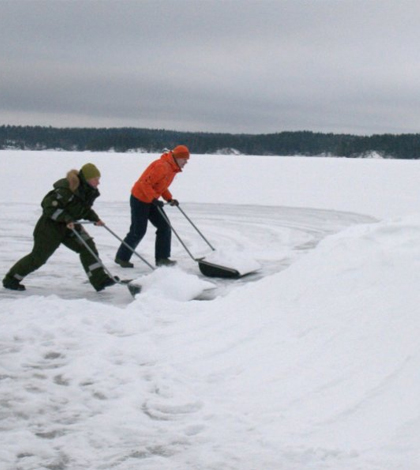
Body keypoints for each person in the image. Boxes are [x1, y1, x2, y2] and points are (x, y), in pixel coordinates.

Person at [2, 163, 116, 292]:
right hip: (50, 228)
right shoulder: (65, 189)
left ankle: (100, 280)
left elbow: (83, 209)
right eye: (96, 179)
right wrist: (66, 218)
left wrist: (95, 219)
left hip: (70, 227)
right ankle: (11, 280)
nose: (98, 182)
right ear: (87, 179)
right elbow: (48, 207)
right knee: (38, 257)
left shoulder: (86, 191)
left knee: (87, 246)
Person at [115, 145, 190, 268]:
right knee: (138, 231)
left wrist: (169, 199)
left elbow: (161, 186)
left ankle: (162, 258)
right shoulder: (162, 166)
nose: (186, 162)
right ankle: (122, 257)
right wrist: (153, 199)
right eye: (184, 159)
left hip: (151, 199)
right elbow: (144, 184)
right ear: (177, 157)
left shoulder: (171, 168)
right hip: (139, 199)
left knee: (165, 226)